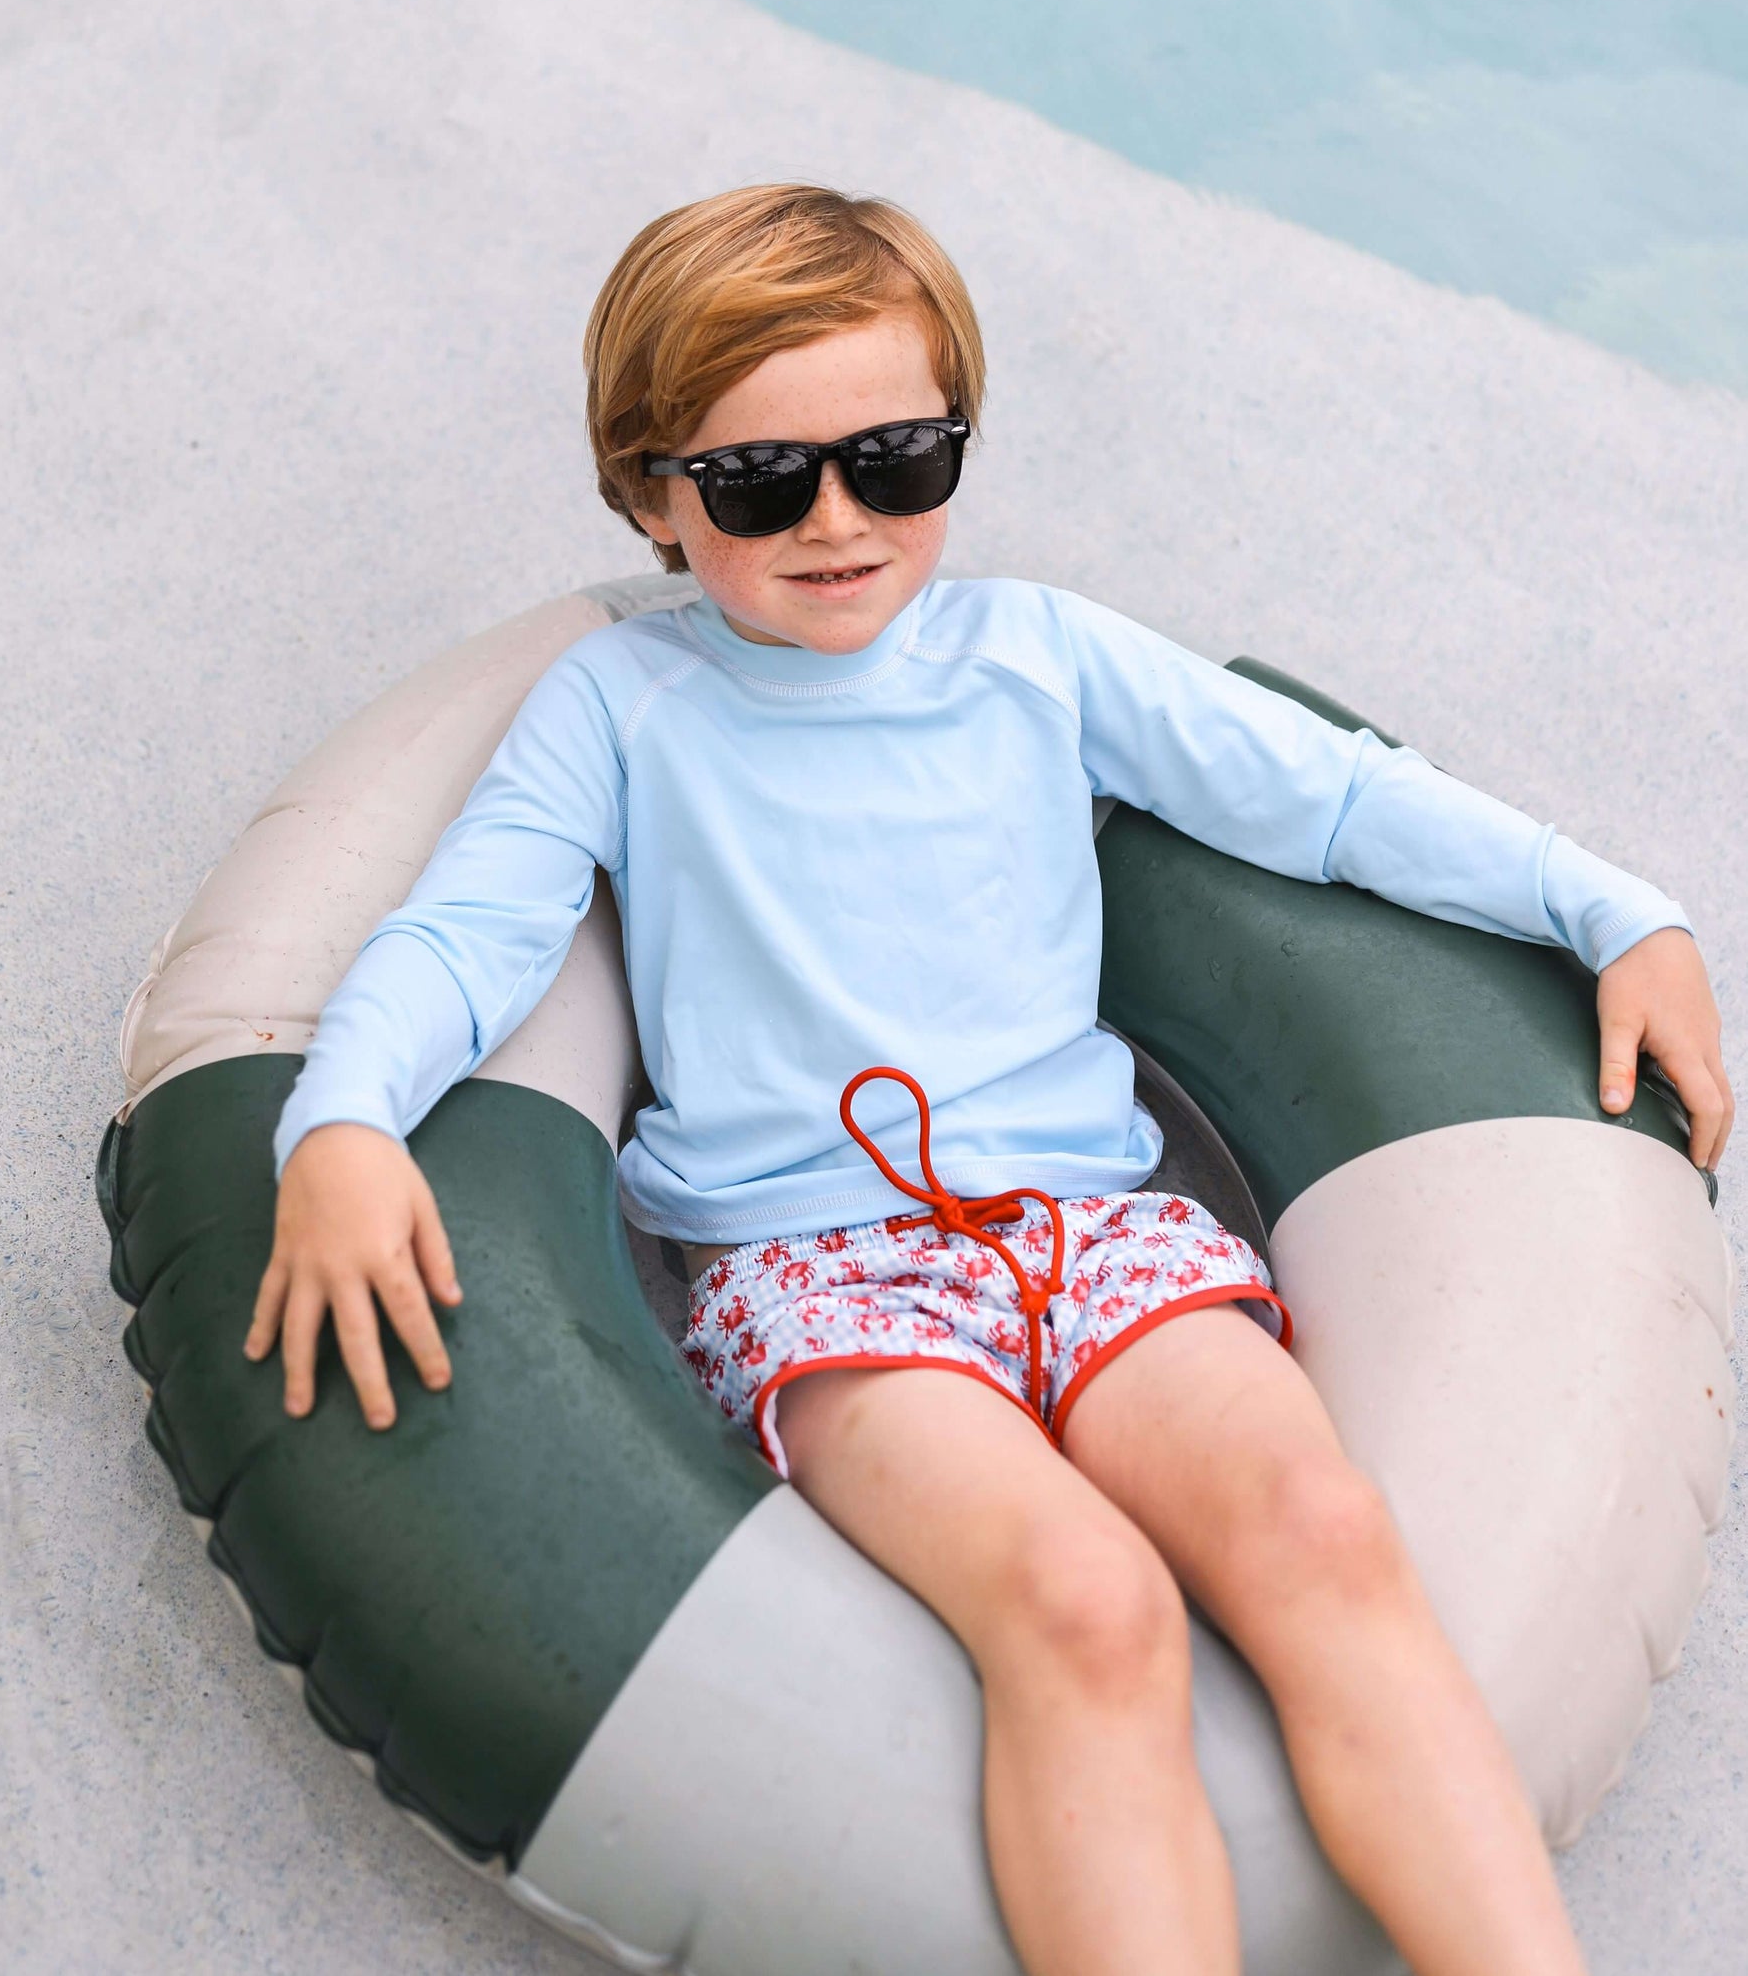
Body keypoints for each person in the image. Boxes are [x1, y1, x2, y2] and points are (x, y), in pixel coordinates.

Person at [246, 184, 1731, 1976]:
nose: (837, 518)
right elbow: (466, 933)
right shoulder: (621, 709)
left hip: (1097, 1227)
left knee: (1320, 1530)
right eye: (756, 482)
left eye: (896, 459)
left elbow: (1330, 796)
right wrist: (338, 1117)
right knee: (1084, 1605)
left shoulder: (1037, 655)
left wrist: (1610, 907)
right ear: (648, 491)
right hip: (821, 1276)